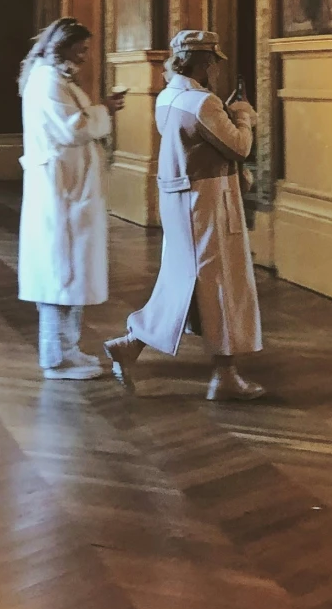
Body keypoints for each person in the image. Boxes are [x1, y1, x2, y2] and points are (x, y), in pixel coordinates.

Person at [107, 29, 263, 403]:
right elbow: (239, 147)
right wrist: (243, 116)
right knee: (220, 283)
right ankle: (224, 376)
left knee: (187, 281)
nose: (215, 69)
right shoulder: (201, 102)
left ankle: (131, 345)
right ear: (202, 62)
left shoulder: (168, 96)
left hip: (182, 201)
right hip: (206, 202)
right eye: (212, 62)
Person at [17, 17, 126, 380]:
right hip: (60, 189)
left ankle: (68, 349)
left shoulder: (57, 78)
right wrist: (105, 110)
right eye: (80, 46)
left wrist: (101, 110)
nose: (85, 53)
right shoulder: (47, 80)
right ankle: (57, 358)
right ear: (63, 44)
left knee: (71, 270)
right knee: (59, 271)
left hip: (70, 186)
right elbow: (71, 128)